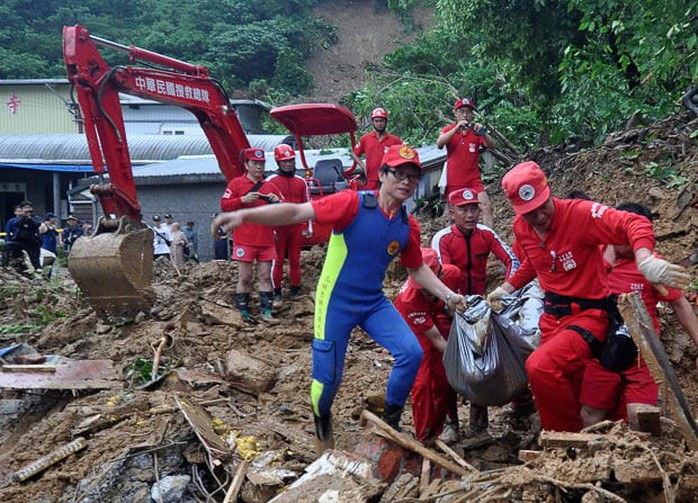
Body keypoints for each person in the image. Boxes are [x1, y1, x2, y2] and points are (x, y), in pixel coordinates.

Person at [213, 144, 467, 454]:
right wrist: (243, 214)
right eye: (399, 174)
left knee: (411, 352)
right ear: (383, 175)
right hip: (335, 302)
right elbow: (295, 212)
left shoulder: (406, 225)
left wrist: (449, 295)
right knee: (329, 380)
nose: (406, 181)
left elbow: (416, 268)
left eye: (413, 177)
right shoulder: (353, 204)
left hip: (373, 303)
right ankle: (322, 420)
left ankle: (391, 422)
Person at [486, 161, 691, 432]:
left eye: (542, 207)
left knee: (540, 367)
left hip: (589, 316)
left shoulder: (580, 215)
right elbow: (537, 261)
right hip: (553, 318)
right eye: (529, 213)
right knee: (572, 384)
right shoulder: (522, 228)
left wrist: (644, 258)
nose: (539, 217)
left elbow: (633, 222)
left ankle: (563, 440)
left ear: (548, 191)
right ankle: (589, 439)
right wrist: (507, 289)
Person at [580, 202, 698, 430]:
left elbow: (680, 305)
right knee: (590, 416)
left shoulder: (652, 265)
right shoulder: (595, 254)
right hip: (601, 349)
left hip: (642, 353)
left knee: (641, 417)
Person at [431, 187, 521, 436]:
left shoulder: (486, 235)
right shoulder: (443, 239)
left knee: (483, 365)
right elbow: (444, 274)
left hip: (480, 310)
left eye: (474, 209)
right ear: (452, 213)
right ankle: (451, 423)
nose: (470, 215)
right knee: (448, 367)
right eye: (464, 210)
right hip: (449, 311)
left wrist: (506, 291)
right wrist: (453, 302)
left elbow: (512, 260)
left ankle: (478, 421)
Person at [394, 248, 461, 443]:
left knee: (442, 375)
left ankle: (440, 428)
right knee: (422, 380)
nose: (423, 288)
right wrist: (462, 361)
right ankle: (424, 435)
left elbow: (452, 309)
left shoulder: (452, 274)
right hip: (413, 325)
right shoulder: (410, 299)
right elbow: (437, 339)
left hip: (433, 314)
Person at [220, 147, 282, 323]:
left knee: (264, 275)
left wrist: (277, 203)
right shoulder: (236, 184)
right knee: (245, 276)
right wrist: (242, 200)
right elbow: (224, 205)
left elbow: (285, 210)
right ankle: (243, 312)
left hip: (267, 239)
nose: (259, 167)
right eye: (254, 163)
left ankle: (266, 312)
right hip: (244, 239)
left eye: (261, 164)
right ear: (246, 165)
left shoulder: (270, 186)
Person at [437, 97, 496, 228]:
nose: (465, 115)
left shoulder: (475, 132)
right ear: (455, 113)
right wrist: (456, 128)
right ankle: (452, 243)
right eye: (462, 111)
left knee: (486, 207)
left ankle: (490, 238)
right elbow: (440, 143)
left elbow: (492, 146)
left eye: (468, 112)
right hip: (454, 180)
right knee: (453, 214)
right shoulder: (449, 129)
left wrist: (483, 133)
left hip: (473, 179)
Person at [267, 144, 308, 305]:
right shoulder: (271, 181)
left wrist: (307, 227)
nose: (288, 164)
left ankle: (295, 289)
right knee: (277, 260)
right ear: (278, 162)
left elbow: (307, 204)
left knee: (295, 260)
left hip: (296, 227)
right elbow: (266, 206)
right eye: (285, 161)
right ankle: (276, 292)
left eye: (291, 161)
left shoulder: (301, 181)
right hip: (278, 228)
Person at [350, 107, 403, 190]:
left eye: (381, 121)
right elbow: (354, 153)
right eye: (376, 121)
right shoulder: (366, 139)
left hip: (389, 180)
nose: (379, 123)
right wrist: (364, 167)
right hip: (372, 179)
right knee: (372, 202)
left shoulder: (395, 141)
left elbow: (403, 158)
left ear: (386, 122)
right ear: (373, 122)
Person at [9, 201, 46, 271]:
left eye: (28, 207)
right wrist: (24, 217)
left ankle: (38, 274)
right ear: (22, 209)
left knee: (35, 260)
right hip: (21, 241)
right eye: (25, 208)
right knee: (8, 246)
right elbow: (17, 224)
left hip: (32, 242)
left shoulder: (36, 217)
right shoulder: (19, 218)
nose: (27, 209)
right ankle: (7, 265)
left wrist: (29, 218)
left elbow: (37, 224)